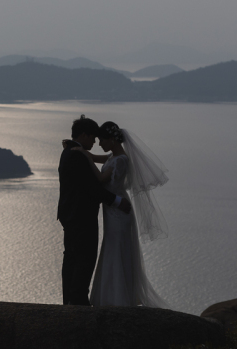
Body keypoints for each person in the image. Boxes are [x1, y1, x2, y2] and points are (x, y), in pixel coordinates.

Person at [69, 121, 170, 308]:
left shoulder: (121, 160)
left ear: (113, 140)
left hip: (118, 212)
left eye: (102, 140)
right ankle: (110, 296)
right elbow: (97, 158)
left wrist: (86, 158)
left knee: (116, 250)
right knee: (111, 248)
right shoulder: (113, 156)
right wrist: (83, 153)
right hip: (113, 211)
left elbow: (100, 178)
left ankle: (118, 299)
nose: (99, 143)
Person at [57, 115, 132, 306]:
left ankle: (71, 300)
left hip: (71, 214)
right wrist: (116, 201)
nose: (95, 142)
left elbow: (93, 178)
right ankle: (79, 300)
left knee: (72, 258)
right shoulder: (76, 155)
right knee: (84, 259)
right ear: (84, 135)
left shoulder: (71, 151)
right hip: (81, 216)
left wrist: (87, 154)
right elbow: (92, 187)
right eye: (93, 138)